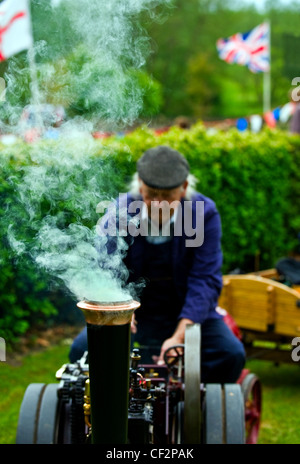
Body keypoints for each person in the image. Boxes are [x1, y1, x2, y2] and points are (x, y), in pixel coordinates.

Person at [69, 146, 245, 383]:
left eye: (168, 197)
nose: (158, 204)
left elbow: (205, 279)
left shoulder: (204, 214)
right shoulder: (119, 212)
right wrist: (119, 311)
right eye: (151, 194)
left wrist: (181, 334)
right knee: (82, 351)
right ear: (140, 185)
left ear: (184, 189)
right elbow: (106, 271)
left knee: (230, 354)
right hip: (131, 313)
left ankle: (196, 412)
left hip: (185, 312)